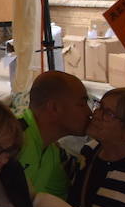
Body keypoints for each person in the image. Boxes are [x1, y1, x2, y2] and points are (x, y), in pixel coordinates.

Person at [18, 70, 93, 198]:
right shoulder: (12, 137)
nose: (90, 112)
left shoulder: (52, 152)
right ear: (54, 108)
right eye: (82, 104)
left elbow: (61, 203)